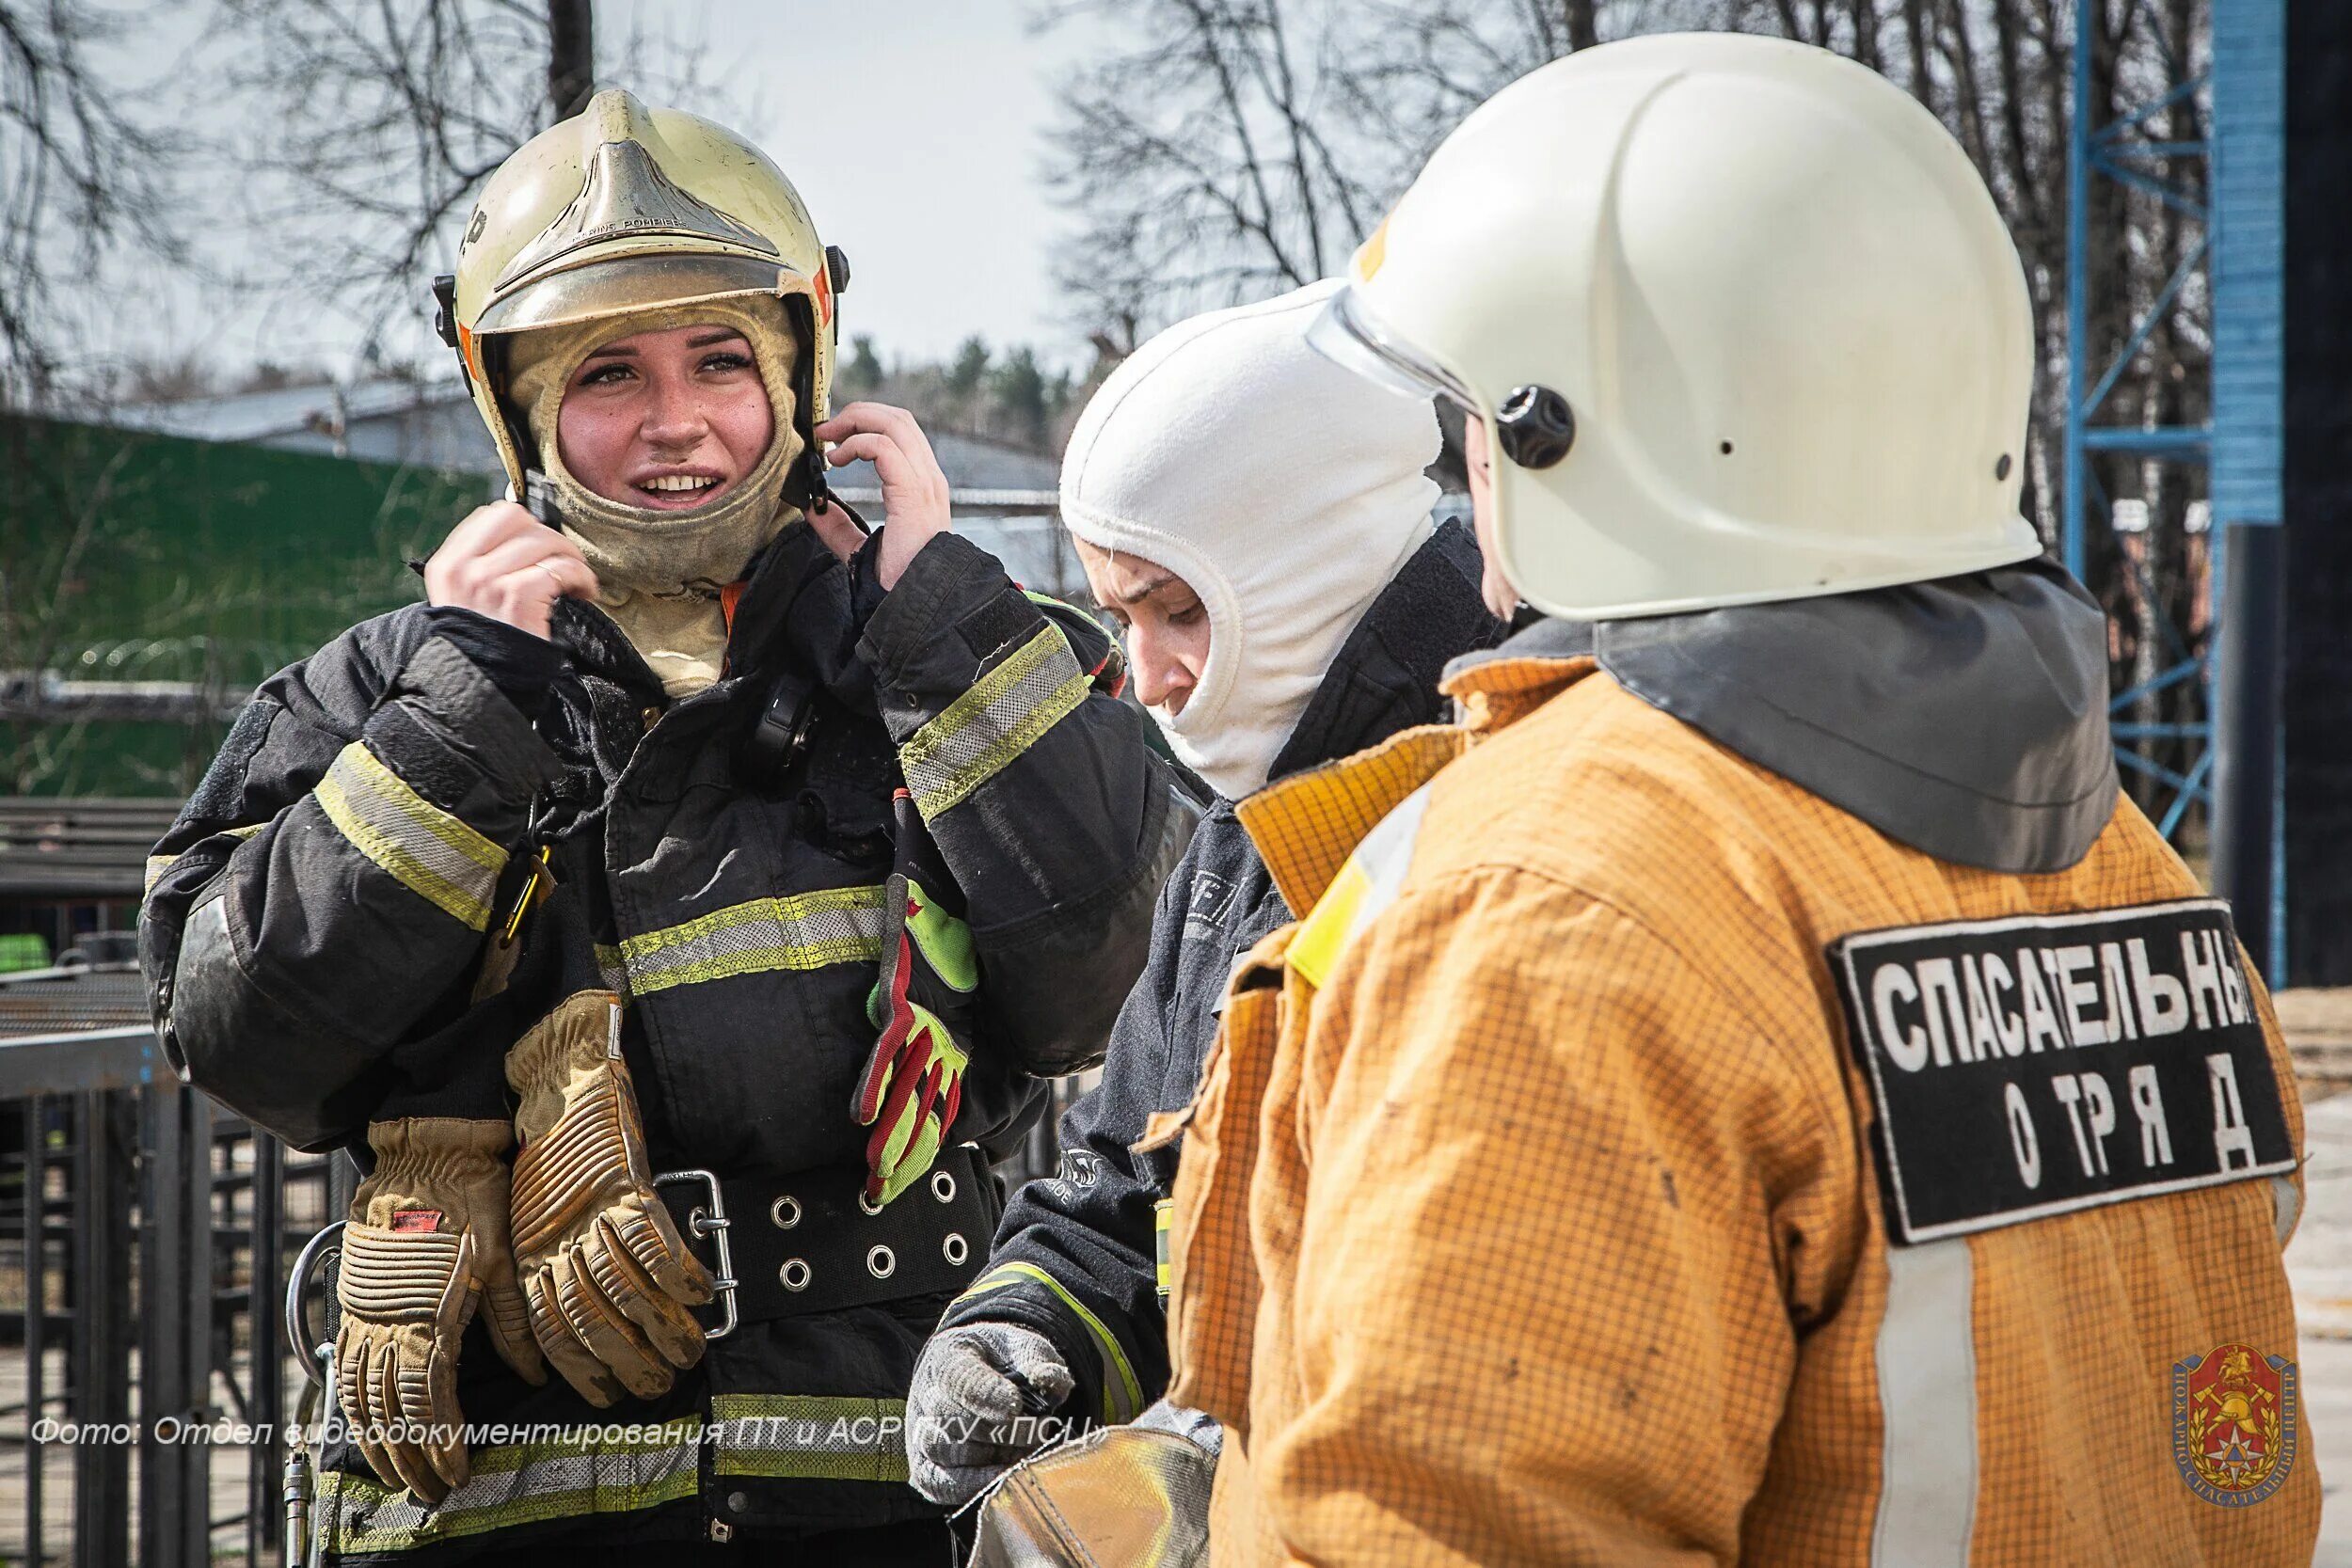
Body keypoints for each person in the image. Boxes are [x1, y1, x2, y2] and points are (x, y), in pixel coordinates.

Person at [1161, 34, 2317, 1566]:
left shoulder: (1549, 899)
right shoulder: (2121, 862)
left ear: (1567, 431)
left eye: (1478, 428)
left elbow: (1458, 1523)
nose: (1467, 472)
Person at [137, 89, 1184, 1565]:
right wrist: (459, 722)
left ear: (803, 371)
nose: (677, 420)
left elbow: (1114, 983)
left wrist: (937, 615)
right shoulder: (380, 688)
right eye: (610, 372)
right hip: (496, 1510)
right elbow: (240, 1036)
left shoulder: (960, 653)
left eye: (720, 359)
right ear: (518, 406)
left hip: (889, 1498)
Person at [899, 282, 1504, 1505]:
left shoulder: (1513, 775)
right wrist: (1035, 1327)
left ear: (1309, 566)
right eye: (1123, 616)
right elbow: (1133, 1174)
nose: (1151, 676)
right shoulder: (1243, 844)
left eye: (1179, 610)